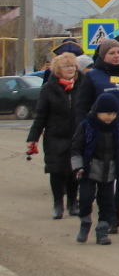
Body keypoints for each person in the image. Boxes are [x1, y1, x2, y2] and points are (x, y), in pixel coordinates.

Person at [78, 38, 119, 230]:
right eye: (112, 53)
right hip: (101, 137)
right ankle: (104, 214)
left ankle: (115, 212)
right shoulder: (93, 77)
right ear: (102, 55)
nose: (117, 56)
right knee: (104, 180)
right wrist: (83, 131)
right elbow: (82, 107)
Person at [26, 52, 81, 218]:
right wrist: (32, 138)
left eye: (73, 66)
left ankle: (73, 202)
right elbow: (41, 115)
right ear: (58, 69)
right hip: (55, 136)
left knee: (74, 170)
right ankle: (58, 204)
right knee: (56, 170)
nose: (70, 69)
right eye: (66, 66)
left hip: (76, 135)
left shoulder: (82, 86)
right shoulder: (48, 89)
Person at [71, 94, 119, 245]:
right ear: (98, 112)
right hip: (88, 171)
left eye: (114, 114)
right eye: (108, 114)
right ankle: (85, 223)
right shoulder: (87, 126)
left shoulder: (116, 128)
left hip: (109, 171)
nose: (111, 117)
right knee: (86, 199)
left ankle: (102, 231)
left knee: (107, 202)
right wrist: (78, 166)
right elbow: (76, 148)